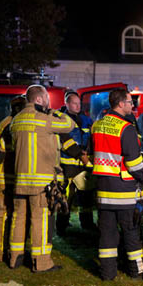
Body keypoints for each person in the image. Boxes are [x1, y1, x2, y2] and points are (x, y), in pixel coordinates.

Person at [9, 85, 75, 272]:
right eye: (46, 98)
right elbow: (68, 124)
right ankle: (41, 263)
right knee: (40, 221)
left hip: (20, 180)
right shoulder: (45, 119)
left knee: (18, 218)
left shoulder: (16, 120)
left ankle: (15, 258)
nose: (48, 101)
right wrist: (53, 111)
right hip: (40, 182)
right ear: (39, 100)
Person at [92, 88, 143, 280]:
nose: (133, 105)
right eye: (130, 102)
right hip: (124, 192)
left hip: (103, 190)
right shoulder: (126, 128)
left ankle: (108, 274)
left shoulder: (97, 125)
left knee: (106, 234)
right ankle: (136, 272)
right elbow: (134, 163)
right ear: (121, 104)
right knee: (131, 233)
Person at [0, 95, 26, 262]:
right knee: (14, 214)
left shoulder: (3, 123)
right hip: (15, 177)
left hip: (2, 177)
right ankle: (11, 252)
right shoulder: (20, 125)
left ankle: (0, 251)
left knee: (2, 214)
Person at [56, 91, 95, 234]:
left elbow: (90, 137)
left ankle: (87, 223)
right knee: (66, 196)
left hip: (82, 164)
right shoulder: (61, 119)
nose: (78, 106)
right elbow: (63, 141)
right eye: (74, 103)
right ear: (67, 104)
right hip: (67, 164)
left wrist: (88, 152)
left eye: (79, 103)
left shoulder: (86, 119)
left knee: (86, 194)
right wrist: (79, 153)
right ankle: (62, 225)